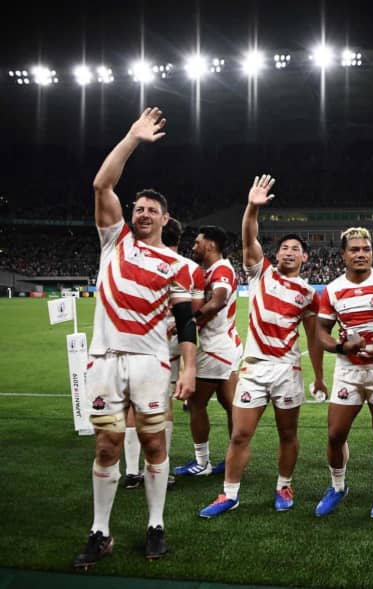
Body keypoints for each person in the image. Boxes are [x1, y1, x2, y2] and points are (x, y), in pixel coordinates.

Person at [74, 108, 196, 569]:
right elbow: (102, 185)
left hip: (149, 363)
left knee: (154, 445)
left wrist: (187, 367)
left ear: (165, 218)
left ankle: (155, 524)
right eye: (138, 208)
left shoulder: (181, 267)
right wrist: (131, 138)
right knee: (107, 445)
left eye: (151, 210)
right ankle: (99, 531)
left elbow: (186, 321)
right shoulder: (115, 241)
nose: (142, 213)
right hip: (104, 358)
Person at [200, 175, 326, 517]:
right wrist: (252, 206)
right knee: (240, 434)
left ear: (304, 257)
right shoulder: (261, 274)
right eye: (284, 247)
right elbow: (249, 236)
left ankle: (284, 484)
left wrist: (318, 376)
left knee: (288, 434)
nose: (288, 251)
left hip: (287, 370)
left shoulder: (307, 295)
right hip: (253, 369)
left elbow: (313, 337)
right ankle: (229, 493)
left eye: (294, 249)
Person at [315, 227, 373, 518]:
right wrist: (342, 347)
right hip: (348, 373)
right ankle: (338, 486)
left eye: (366, 249)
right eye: (354, 249)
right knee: (335, 434)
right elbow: (321, 332)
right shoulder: (332, 289)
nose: (361, 254)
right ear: (343, 254)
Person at [123, 218, 204, 490]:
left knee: (133, 405)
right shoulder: (190, 268)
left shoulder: (138, 263)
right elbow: (192, 312)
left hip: (139, 339)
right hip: (170, 343)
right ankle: (160, 468)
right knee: (164, 403)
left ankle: (133, 470)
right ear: (179, 240)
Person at [175, 225, 242, 477]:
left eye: (198, 242)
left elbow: (220, 298)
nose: (194, 246)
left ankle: (201, 463)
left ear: (211, 245)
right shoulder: (214, 269)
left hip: (216, 348)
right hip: (227, 345)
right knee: (229, 403)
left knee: (195, 403)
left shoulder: (221, 268)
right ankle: (235, 458)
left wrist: (193, 318)